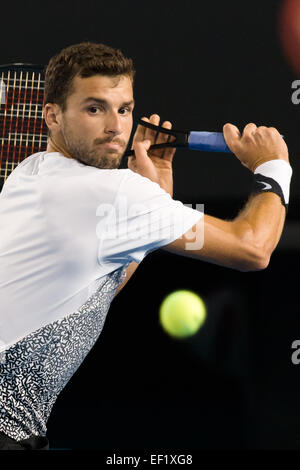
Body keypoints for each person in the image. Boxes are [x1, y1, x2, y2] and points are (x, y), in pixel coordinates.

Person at [0, 41, 292, 451]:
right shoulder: (113, 194)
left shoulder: (29, 172)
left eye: (124, 109)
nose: (116, 127)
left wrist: (154, 199)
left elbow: (88, 290)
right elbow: (253, 248)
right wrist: (273, 168)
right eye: (94, 108)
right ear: (51, 115)